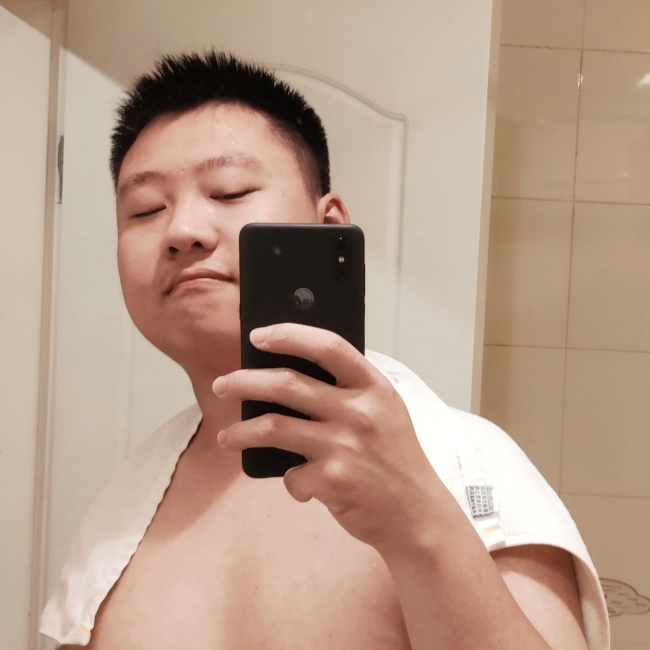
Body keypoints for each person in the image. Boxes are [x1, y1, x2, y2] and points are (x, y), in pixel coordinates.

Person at [41, 51, 609, 650]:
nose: (182, 230)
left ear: (328, 226)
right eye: (146, 209)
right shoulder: (118, 518)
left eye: (229, 191)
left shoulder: (469, 465)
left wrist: (420, 526)